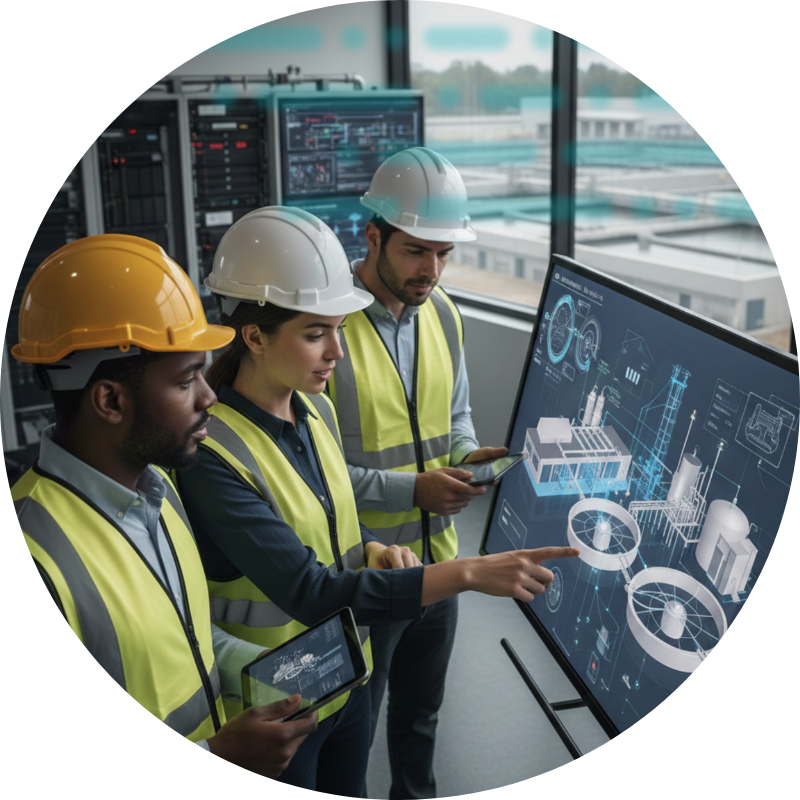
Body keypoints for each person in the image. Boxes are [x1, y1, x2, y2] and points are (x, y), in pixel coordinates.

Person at [175, 206, 578, 795]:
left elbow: (327, 529)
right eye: (316, 334)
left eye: (338, 328)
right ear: (255, 336)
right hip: (274, 704)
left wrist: (369, 551)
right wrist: (466, 572)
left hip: (344, 673)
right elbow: (309, 591)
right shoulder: (213, 455)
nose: (337, 352)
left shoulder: (316, 411)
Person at [11, 234, 318, 775]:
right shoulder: (40, 552)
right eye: (185, 380)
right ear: (110, 400)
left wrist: (266, 668)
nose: (209, 396)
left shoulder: (159, 488)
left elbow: (186, 635)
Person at [325, 146, 505, 799]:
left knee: (420, 722)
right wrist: (415, 489)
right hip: (367, 576)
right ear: (372, 236)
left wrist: (468, 459)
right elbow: (314, 479)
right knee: (355, 729)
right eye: (416, 251)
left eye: (444, 254)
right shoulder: (326, 331)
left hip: (440, 565)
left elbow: (456, 419)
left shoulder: (445, 314)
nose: (431, 270)